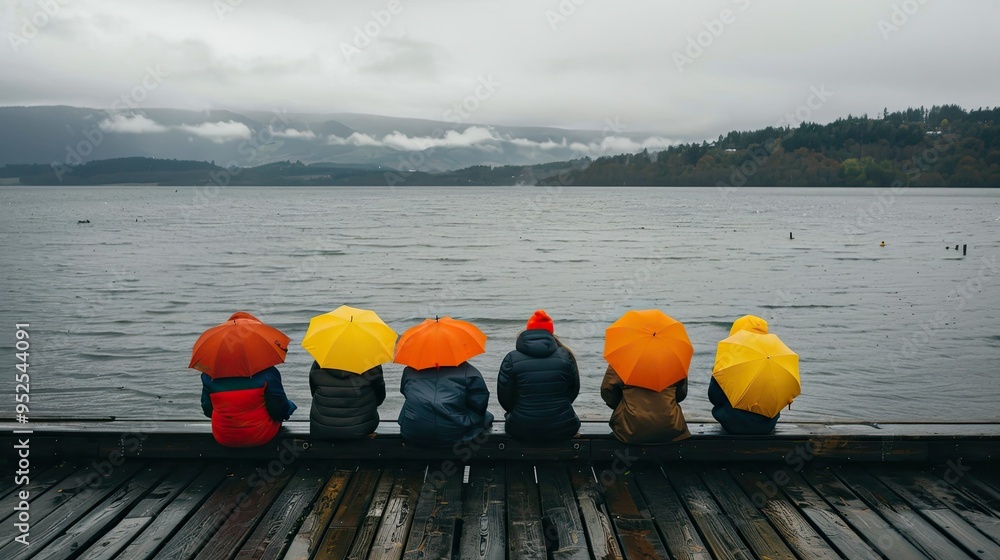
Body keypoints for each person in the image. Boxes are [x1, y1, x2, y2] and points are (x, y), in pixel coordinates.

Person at [497, 310, 580, 441]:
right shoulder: (566, 356)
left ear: (528, 331)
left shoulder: (511, 358)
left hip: (521, 428)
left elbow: (505, 398)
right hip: (563, 427)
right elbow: (572, 392)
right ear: (551, 333)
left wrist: (519, 411)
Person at [708, 314, 780, 435]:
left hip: (733, 425)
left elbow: (714, 397)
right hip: (767, 426)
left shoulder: (728, 361)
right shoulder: (775, 359)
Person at [397, 361, 494, 448]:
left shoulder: (409, 370)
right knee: (487, 416)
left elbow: (405, 391)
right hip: (454, 434)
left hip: (413, 431)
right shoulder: (468, 371)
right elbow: (480, 402)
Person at [200, 365, 297, 447]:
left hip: (223, 436)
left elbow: (207, 409)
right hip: (261, 436)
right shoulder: (268, 372)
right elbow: (278, 410)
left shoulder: (209, 375)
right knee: (286, 405)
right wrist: (289, 408)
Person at [601, 366, 691, 444]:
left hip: (629, 428)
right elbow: (681, 393)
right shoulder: (675, 361)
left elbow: (607, 391)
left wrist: (623, 405)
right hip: (672, 428)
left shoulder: (622, 359)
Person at [309, 361, 386, 439]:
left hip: (321, 426)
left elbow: (313, 392)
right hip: (361, 428)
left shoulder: (320, 363)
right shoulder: (371, 363)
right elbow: (380, 397)